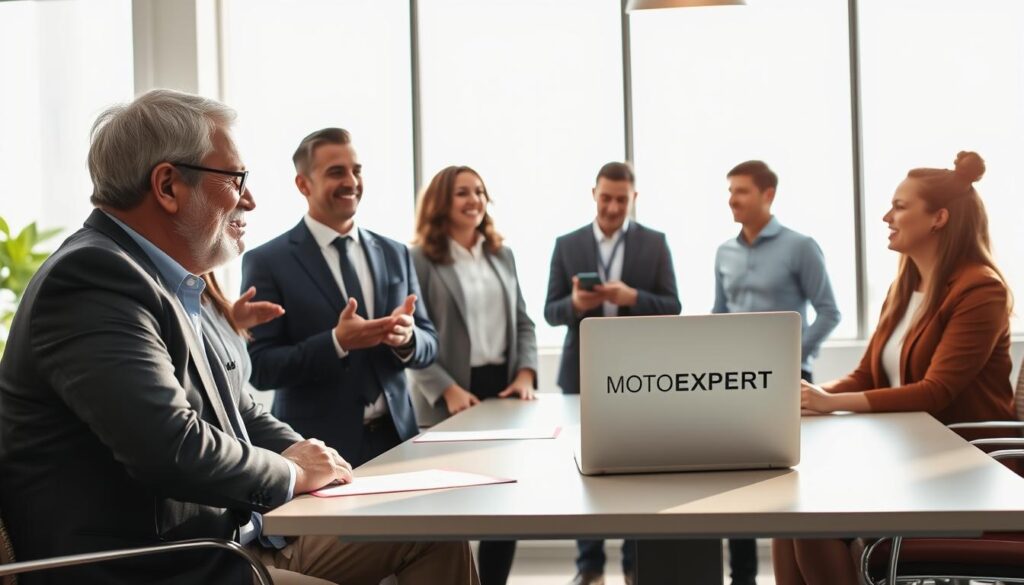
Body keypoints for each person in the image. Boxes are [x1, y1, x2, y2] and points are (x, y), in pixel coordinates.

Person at [0, 89, 478, 585]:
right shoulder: (93, 277)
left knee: (434, 528)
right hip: (161, 569)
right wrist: (293, 474)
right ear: (168, 185)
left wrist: (323, 464)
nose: (249, 199)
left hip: (232, 543)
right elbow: (172, 446)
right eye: (235, 179)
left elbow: (241, 408)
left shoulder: (176, 278)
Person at [773, 151, 1015, 585]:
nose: (887, 216)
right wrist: (810, 398)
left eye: (900, 206)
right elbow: (867, 374)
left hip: (959, 469)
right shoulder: (905, 284)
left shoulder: (981, 289)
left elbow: (935, 390)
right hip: (904, 460)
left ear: (939, 218)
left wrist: (830, 403)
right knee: (788, 517)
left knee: (809, 525)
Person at [242, 127, 438, 467]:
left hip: (399, 440)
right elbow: (261, 368)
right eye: (336, 172)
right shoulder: (268, 261)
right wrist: (336, 342)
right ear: (303, 184)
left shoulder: (395, 253)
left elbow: (429, 343)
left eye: (356, 170)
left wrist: (407, 338)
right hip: (317, 451)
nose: (351, 181)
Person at [544, 161, 682, 585]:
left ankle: (632, 566)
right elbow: (551, 312)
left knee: (634, 473)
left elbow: (672, 306)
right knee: (585, 471)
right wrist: (576, 307)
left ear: (633, 199)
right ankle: (589, 568)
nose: (612, 206)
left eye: (621, 199)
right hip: (581, 373)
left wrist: (632, 296)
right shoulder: (566, 244)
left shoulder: (655, 243)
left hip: (639, 375)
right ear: (594, 194)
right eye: (606, 198)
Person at [712, 160, 841, 585]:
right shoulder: (724, 253)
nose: (732, 198)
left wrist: (789, 354)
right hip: (732, 382)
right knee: (734, 479)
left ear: (768, 195)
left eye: (742, 191)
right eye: (730, 190)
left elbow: (828, 312)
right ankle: (743, 578)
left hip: (786, 382)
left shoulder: (801, 246)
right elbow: (720, 314)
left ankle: (795, 572)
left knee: (785, 479)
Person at [408, 165, 538, 585]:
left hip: (502, 390)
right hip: (450, 393)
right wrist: (446, 389)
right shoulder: (420, 258)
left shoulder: (502, 253)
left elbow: (523, 321)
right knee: (454, 502)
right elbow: (413, 336)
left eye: (479, 191)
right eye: (463, 192)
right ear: (441, 202)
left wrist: (525, 374)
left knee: (507, 499)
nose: (474, 200)